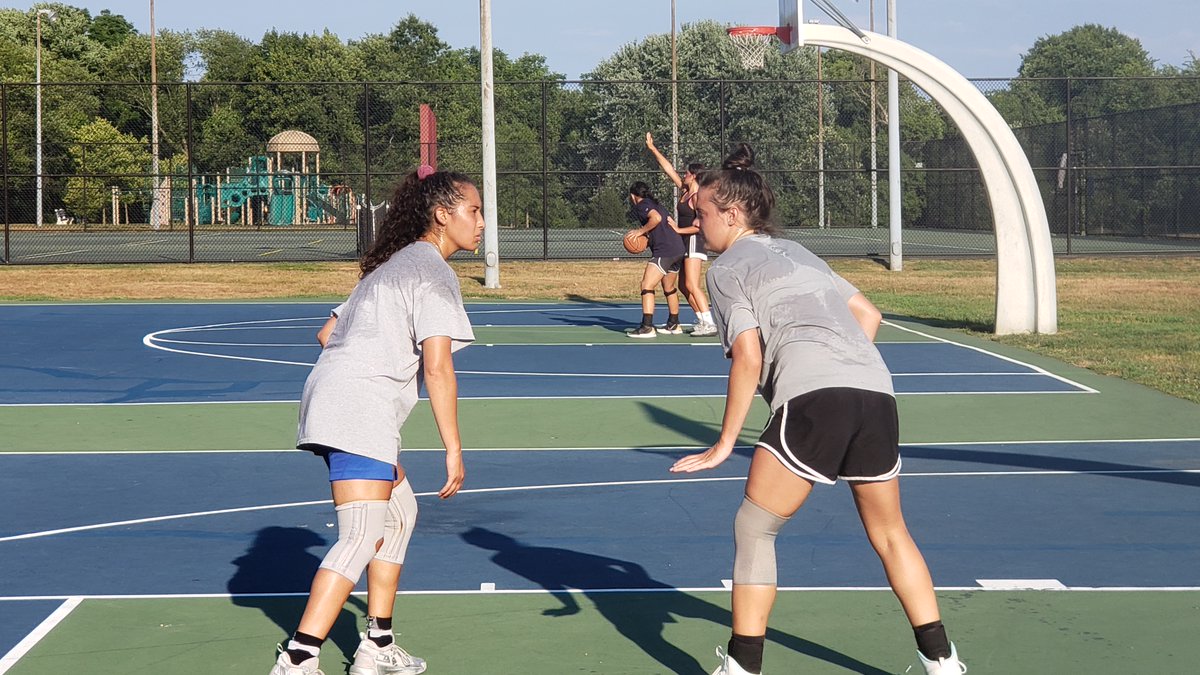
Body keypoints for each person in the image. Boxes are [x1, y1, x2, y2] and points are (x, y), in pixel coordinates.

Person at [669, 144, 966, 675]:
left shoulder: (727, 266)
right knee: (892, 534)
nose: (697, 219)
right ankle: (943, 663)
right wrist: (837, 368)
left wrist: (723, 443)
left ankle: (742, 668)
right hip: (875, 392)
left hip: (816, 397)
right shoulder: (800, 252)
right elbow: (868, 314)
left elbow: (748, 357)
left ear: (732, 215)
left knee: (755, 529)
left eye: (703, 212)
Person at [270, 165, 483, 675]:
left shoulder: (390, 267)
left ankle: (377, 646)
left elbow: (327, 334)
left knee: (400, 513)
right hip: (355, 410)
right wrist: (453, 446)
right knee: (361, 535)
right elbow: (438, 366)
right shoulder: (431, 272)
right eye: (473, 211)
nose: (480, 222)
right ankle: (298, 659)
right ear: (441, 214)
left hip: (342, 402)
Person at [644, 132, 717, 337]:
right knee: (684, 287)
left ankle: (710, 323)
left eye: (686, 173)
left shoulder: (698, 197)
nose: (683, 175)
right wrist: (653, 149)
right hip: (684, 242)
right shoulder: (684, 191)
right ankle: (703, 320)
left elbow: (701, 226)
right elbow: (668, 170)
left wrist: (677, 230)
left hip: (694, 240)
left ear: (694, 175)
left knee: (692, 284)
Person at [624, 181, 686, 338]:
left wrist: (640, 232)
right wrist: (648, 238)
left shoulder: (642, 205)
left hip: (665, 250)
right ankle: (674, 323)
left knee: (647, 285)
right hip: (678, 248)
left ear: (633, 196)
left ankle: (647, 327)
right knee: (668, 287)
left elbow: (656, 219)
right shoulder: (656, 203)